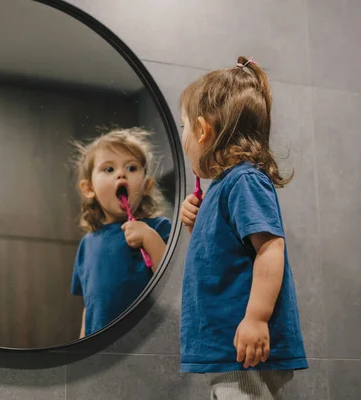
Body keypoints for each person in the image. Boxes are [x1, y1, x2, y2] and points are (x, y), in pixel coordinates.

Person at [179, 56, 308, 399]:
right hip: (233, 342)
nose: (184, 137)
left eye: (183, 127)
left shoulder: (244, 181)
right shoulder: (225, 187)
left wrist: (255, 319)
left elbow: (270, 248)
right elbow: (228, 255)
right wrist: (200, 225)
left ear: (203, 130)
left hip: (243, 343)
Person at [70, 128, 172, 338]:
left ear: (146, 186)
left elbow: (174, 282)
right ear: (89, 189)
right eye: (108, 169)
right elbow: (89, 307)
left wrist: (149, 238)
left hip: (144, 344)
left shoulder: (158, 228)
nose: (121, 173)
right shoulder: (87, 244)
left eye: (132, 167)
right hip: (99, 351)